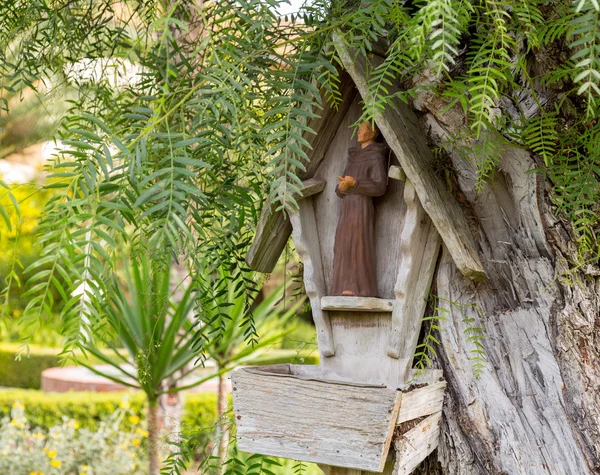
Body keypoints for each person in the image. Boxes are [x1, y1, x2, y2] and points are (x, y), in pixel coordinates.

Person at [331, 121, 388, 297]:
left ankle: (359, 288)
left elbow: (379, 187)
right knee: (342, 245)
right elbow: (339, 189)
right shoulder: (353, 156)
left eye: (362, 127)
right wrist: (342, 187)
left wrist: (355, 183)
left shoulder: (375, 156)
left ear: (373, 132)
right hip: (347, 207)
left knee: (358, 245)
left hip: (361, 208)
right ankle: (340, 286)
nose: (358, 130)